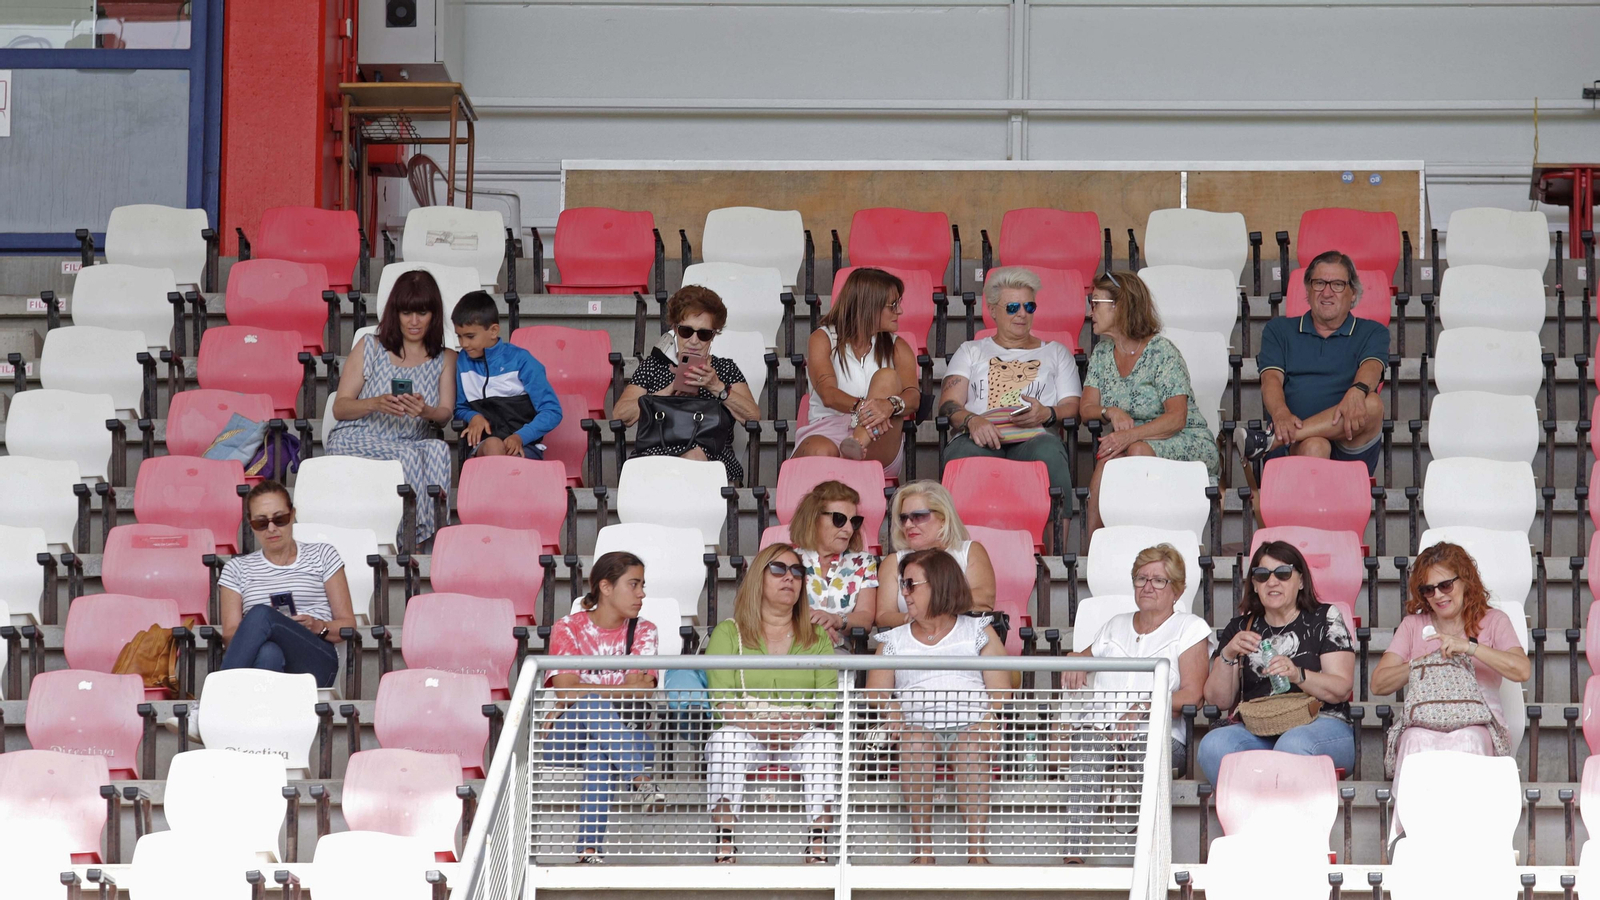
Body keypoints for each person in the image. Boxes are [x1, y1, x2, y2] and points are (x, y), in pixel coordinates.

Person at [866, 549, 1010, 865]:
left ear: (939, 584)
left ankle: (976, 852)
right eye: (902, 585)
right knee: (916, 742)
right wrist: (892, 714)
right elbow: (875, 692)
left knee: (970, 745)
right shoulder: (893, 638)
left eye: (910, 584)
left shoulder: (978, 630)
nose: (904, 593)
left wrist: (989, 718)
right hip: (915, 731)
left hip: (973, 728)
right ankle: (924, 851)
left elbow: (1002, 689)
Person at [704, 543, 841, 864]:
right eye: (778, 569)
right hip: (746, 728)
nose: (789, 578)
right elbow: (720, 697)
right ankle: (725, 841)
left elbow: (827, 697)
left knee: (824, 741)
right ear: (758, 580)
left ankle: (818, 843)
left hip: (800, 730)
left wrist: (796, 725)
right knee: (725, 740)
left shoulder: (817, 636)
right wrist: (762, 727)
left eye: (797, 572)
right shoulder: (729, 632)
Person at [1196, 541, 1356, 786]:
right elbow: (1219, 700)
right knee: (1213, 745)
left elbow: (1341, 688)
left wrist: (1297, 674)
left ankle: (1283, 820)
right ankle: (1254, 815)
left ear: (1301, 581)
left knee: (1292, 745)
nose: (1272, 582)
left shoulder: (1324, 618)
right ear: (1255, 586)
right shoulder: (1241, 628)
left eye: (1283, 573)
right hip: (1259, 728)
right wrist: (1227, 654)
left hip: (1322, 724)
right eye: (1262, 575)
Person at [544, 551, 667, 863]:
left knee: (600, 750)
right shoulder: (567, 628)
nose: (642, 594)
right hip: (566, 739)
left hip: (631, 736)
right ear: (606, 587)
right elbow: (567, 693)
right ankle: (640, 780)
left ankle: (588, 852)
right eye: (634, 584)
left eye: (643, 585)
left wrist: (586, 691)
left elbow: (643, 695)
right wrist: (622, 688)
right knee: (590, 705)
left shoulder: (645, 629)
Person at [1370, 542, 1529, 778]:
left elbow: (1522, 670)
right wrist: (1423, 662)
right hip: (1425, 721)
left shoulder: (1494, 620)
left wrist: (1469, 648)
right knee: (1413, 740)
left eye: (1445, 585)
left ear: (1465, 580)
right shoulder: (1412, 625)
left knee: (1468, 739)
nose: (1438, 595)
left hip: (1478, 722)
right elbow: (1378, 684)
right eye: (1428, 590)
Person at [1080, 271, 1220, 534]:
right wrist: (1109, 411)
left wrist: (1129, 437)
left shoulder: (1161, 352)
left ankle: (1140, 540)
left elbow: (1176, 418)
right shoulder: (1101, 353)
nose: (1091, 312)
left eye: (1096, 303)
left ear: (1120, 307)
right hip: (1134, 442)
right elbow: (1086, 409)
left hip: (1186, 439)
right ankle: (1095, 554)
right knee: (1106, 459)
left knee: (1136, 452)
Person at [326, 269, 457, 544]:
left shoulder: (445, 358)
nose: (413, 321)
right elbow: (341, 408)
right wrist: (376, 403)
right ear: (394, 313)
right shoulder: (371, 346)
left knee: (438, 449)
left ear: (434, 315)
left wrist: (425, 412)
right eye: (406, 312)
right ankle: (414, 538)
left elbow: (445, 412)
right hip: (357, 437)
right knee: (408, 457)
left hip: (410, 440)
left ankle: (435, 535)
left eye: (422, 313)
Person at [1063, 544, 1212, 775]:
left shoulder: (1189, 628)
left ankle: (1147, 812)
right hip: (1102, 732)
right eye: (1141, 578)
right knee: (1086, 748)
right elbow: (1081, 659)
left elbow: (1194, 695)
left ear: (1177, 591)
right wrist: (1073, 660)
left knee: (1142, 751)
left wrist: (1143, 707)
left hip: (1159, 736)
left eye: (1159, 580)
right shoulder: (1116, 625)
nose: (1148, 587)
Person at [938, 266, 1081, 494]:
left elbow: (1072, 407)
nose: (1022, 314)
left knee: (1049, 454)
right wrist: (973, 421)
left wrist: (1048, 414)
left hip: (1034, 438)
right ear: (993, 310)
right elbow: (948, 404)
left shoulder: (1056, 353)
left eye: (1029, 306)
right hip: (979, 435)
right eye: (1013, 307)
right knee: (963, 455)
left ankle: (1057, 530)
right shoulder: (971, 350)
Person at [1248, 250, 1390, 474]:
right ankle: (1288, 440)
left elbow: (1372, 367)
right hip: (1295, 445)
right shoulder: (1279, 330)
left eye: (1337, 285)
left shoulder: (1373, 331)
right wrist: (1281, 413)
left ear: (1353, 293)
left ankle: (1269, 440)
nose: (1327, 292)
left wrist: (1357, 390)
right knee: (1316, 446)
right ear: (1307, 289)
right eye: (1319, 283)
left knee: (1372, 404)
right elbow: (1271, 379)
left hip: (1350, 443)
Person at [612, 285, 761, 484]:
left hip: (711, 461)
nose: (693, 341)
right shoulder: (655, 366)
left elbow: (753, 416)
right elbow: (620, 415)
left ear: (713, 336)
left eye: (703, 334)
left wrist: (716, 387)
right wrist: (669, 389)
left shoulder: (724, 369)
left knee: (695, 458)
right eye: (686, 331)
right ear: (675, 329)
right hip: (656, 459)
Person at [218, 481, 357, 688]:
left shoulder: (322, 555)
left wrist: (317, 626)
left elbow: (348, 625)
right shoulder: (237, 568)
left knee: (262, 615)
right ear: (250, 523)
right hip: (260, 659)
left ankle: (213, 701)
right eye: (261, 523)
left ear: (292, 515)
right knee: (269, 653)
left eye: (279, 519)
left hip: (315, 659)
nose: (271, 528)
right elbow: (230, 636)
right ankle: (261, 717)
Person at [792, 268, 921, 477]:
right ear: (869, 306)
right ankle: (845, 461)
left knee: (887, 377)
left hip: (878, 438)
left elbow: (914, 398)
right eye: (893, 305)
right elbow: (828, 394)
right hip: (828, 430)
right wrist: (865, 407)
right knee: (821, 452)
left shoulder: (898, 347)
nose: (900, 311)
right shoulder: (823, 339)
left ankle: (855, 444)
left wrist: (889, 405)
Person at [451, 290, 563, 459]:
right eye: (459, 337)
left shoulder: (522, 360)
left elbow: (552, 411)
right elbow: (460, 407)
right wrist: (474, 416)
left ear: (494, 331)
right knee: (494, 445)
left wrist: (520, 437)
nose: (464, 344)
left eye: (470, 336)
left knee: (510, 460)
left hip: (526, 446)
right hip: (484, 448)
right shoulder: (462, 362)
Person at [876, 480, 995, 628]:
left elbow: (984, 599)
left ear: (943, 518)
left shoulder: (969, 551)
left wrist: (926, 610)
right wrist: (916, 622)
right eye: (903, 518)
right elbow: (883, 616)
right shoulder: (893, 561)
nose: (908, 525)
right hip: (911, 642)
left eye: (918, 516)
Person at [789, 480, 879, 646]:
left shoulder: (864, 562)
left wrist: (835, 620)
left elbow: (866, 618)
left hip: (836, 656)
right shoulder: (788, 559)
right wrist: (814, 626)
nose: (849, 529)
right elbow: (769, 609)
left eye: (854, 521)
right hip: (791, 649)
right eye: (839, 519)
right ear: (813, 518)